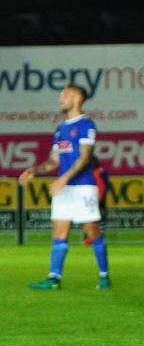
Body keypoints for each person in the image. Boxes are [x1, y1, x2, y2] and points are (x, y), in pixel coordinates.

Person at [19, 84, 110, 290]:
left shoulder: (87, 125)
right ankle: (54, 278)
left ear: (77, 98)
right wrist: (33, 170)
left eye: (65, 95)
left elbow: (85, 158)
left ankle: (104, 276)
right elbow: (54, 162)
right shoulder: (61, 129)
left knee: (92, 230)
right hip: (64, 188)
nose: (61, 99)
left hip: (83, 186)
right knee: (59, 232)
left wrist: (64, 178)